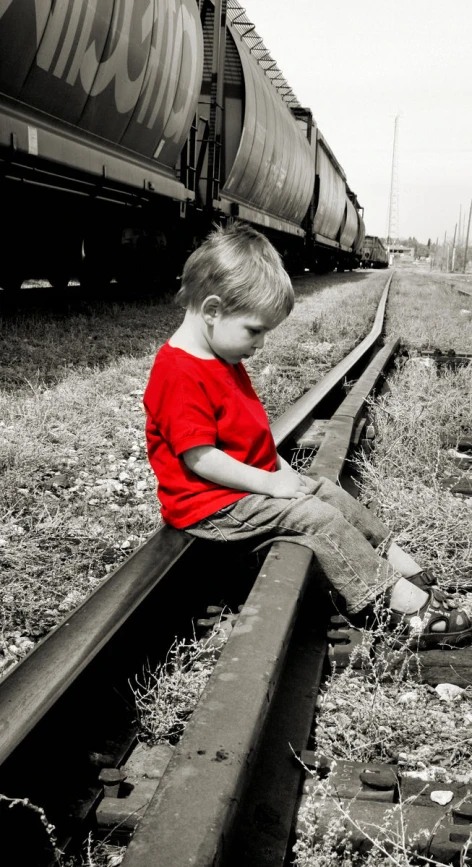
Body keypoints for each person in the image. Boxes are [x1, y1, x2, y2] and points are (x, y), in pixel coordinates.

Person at [143, 223, 471, 649]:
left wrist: (282, 473)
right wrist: (270, 483)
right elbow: (201, 458)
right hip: (209, 507)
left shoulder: (220, 356)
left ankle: (407, 572)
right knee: (314, 518)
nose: (260, 344)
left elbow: (246, 436)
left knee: (329, 495)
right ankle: (394, 606)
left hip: (236, 493)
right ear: (211, 311)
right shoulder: (179, 372)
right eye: (254, 330)